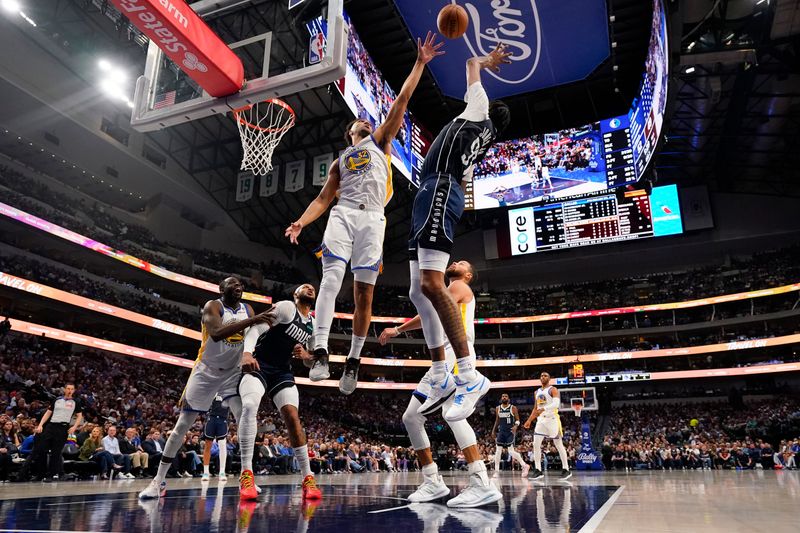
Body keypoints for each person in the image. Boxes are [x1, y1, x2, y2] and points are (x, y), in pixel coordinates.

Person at [285, 33, 445, 395]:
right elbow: (323, 200)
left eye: (368, 122)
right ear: (350, 134)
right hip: (342, 214)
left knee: (363, 295)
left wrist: (420, 63)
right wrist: (301, 221)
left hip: (373, 218)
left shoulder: (381, 142)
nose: (367, 122)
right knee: (329, 279)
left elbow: (402, 101)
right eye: (361, 123)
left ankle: (354, 359)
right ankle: (321, 350)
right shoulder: (340, 161)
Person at [405, 43, 511, 424]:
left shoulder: (480, 111)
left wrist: (487, 62)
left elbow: (470, 63)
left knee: (433, 284)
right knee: (418, 288)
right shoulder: (481, 140)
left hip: (439, 190)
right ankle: (439, 372)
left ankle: (467, 374)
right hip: (433, 190)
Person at [380, 260, 501, 508]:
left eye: (462, 263)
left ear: (468, 275)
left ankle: (481, 483)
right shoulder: (447, 290)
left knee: (451, 415)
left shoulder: (460, 287)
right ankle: (433, 480)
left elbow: (430, 311)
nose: (455, 261)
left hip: (458, 355)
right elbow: (428, 316)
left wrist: (400, 327)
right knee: (411, 418)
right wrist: (399, 330)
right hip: (442, 358)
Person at [139, 277, 272, 500]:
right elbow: (218, 333)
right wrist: (254, 320)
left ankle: (246, 477)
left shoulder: (247, 309)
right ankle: (158, 481)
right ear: (221, 289)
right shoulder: (213, 306)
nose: (238, 287)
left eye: (241, 285)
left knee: (245, 415)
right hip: (206, 371)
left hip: (232, 373)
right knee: (182, 425)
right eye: (233, 284)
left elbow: (253, 335)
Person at [238, 284, 322, 501]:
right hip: (260, 363)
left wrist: (306, 355)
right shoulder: (286, 308)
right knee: (249, 406)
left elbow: (310, 357)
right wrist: (247, 354)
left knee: (293, 419)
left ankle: (308, 478)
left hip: (282, 371)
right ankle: (246, 474)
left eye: (313, 287)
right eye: (305, 287)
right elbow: (256, 328)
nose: (310, 288)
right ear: (295, 295)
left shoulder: (313, 324)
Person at [523, 372, 572, 480]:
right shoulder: (537, 392)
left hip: (552, 419)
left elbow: (556, 404)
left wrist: (544, 408)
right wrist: (529, 420)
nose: (543, 377)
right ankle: (538, 470)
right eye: (541, 376)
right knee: (536, 444)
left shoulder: (553, 389)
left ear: (549, 378)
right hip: (541, 420)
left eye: (545, 376)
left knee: (558, 444)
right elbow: (535, 409)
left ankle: (566, 469)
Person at [30, 383, 83, 482]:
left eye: (72, 389)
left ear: (74, 390)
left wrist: (74, 427)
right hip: (51, 426)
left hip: (63, 428)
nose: (69, 390)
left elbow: (79, 416)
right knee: (42, 450)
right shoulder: (57, 399)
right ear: (65, 390)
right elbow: (48, 412)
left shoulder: (76, 401)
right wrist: (41, 425)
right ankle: (40, 474)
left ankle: (50, 475)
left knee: (56, 453)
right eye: (68, 388)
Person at [491, 394, 529, 478]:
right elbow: (497, 421)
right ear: (501, 398)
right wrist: (493, 431)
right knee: (498, 451)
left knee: (511, 452)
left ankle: (524, 465)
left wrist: (516, 426)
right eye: (503, 396)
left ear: (508, 399)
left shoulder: (513, 408)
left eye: (506, 396)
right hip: (501, 432)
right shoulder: (498, 408)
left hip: (510, 432)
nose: (504, 397)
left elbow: (518, 420)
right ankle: (496, 471)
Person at [201, 395, 230, 481]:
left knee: (222, 445)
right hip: (212, 418)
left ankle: (222, 472)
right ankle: (206, 472)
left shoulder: (229, 392)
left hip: (223, 419)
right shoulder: (214, 389)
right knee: (208, 445)